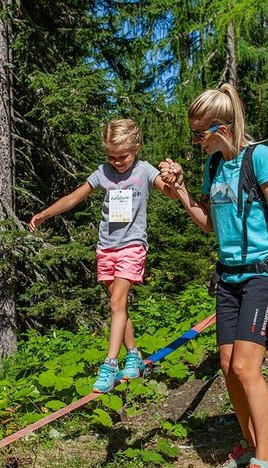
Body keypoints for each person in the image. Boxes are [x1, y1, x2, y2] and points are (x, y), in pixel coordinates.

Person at [158, 83, 268, 468]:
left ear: (222, 127)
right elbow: (212, 226)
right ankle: (250, 444)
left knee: (246, 367)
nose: (196, 142)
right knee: (226, 363)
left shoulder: (261, 159)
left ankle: (267, 466)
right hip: (228, 277)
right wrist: (181, 194)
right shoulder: (214, 167)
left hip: (262, 274)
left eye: (200, 134)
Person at [29, 118, 177, 393]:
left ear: (136, 148)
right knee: (116, 305)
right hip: (106, 247)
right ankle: (133, 354)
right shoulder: (102, 173)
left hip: (132, 245)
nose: (118, 162)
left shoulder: (145, 171)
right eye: (112, 157)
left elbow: (170, 193)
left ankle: (109, 364)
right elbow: (75, 197)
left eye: (123, 156)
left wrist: (175, 181)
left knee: (117, 302)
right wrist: (46, 213)